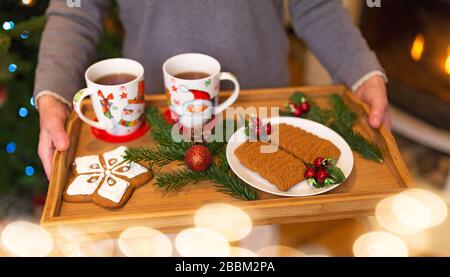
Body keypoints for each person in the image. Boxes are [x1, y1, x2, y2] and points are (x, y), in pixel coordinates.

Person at [34, 0, 390, 179]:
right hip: (154, 131)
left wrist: (363, 72)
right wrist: (52, 93)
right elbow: (75, 8)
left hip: (260, 121)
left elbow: (316, 6)